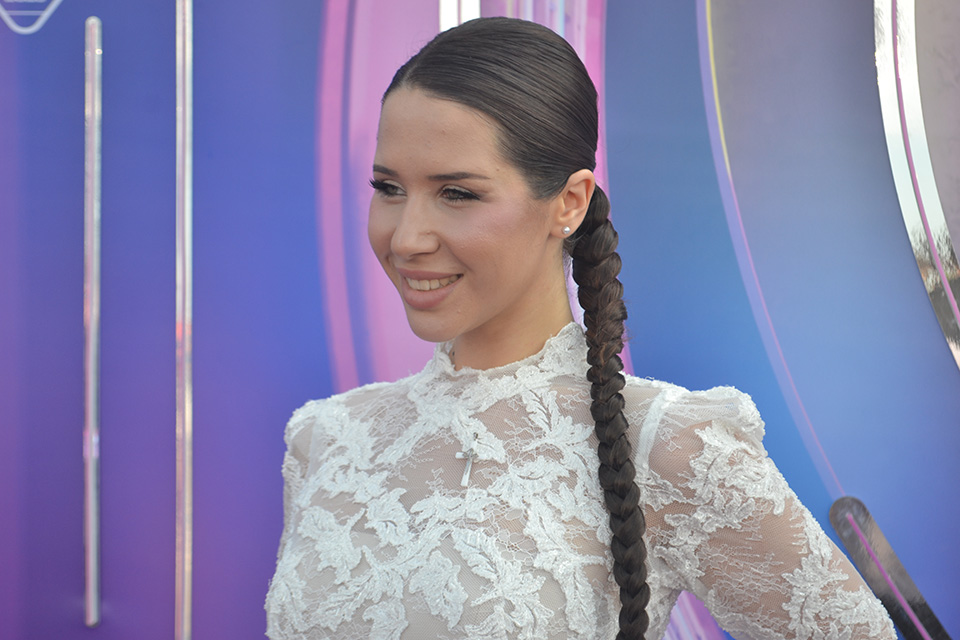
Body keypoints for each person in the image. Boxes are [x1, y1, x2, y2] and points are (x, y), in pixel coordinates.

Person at [265, 17, 897, 640]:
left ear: (568, 202)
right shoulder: (327, 439)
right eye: (388, 188)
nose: (406, 238)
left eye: (457, 193)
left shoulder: (670, 445)